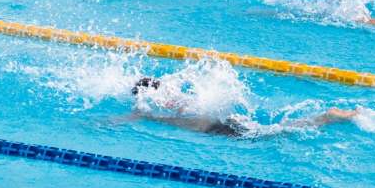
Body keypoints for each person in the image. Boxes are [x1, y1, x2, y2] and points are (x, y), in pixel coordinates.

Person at [131, 77, 360, 137]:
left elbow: (183, 121)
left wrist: (145, 117)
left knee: (279, 132)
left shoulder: (174, 108)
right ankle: (324, 118)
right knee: (277, 129)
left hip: (220, 127)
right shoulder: (184, 98)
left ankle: (326, 117)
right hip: (225, 121)